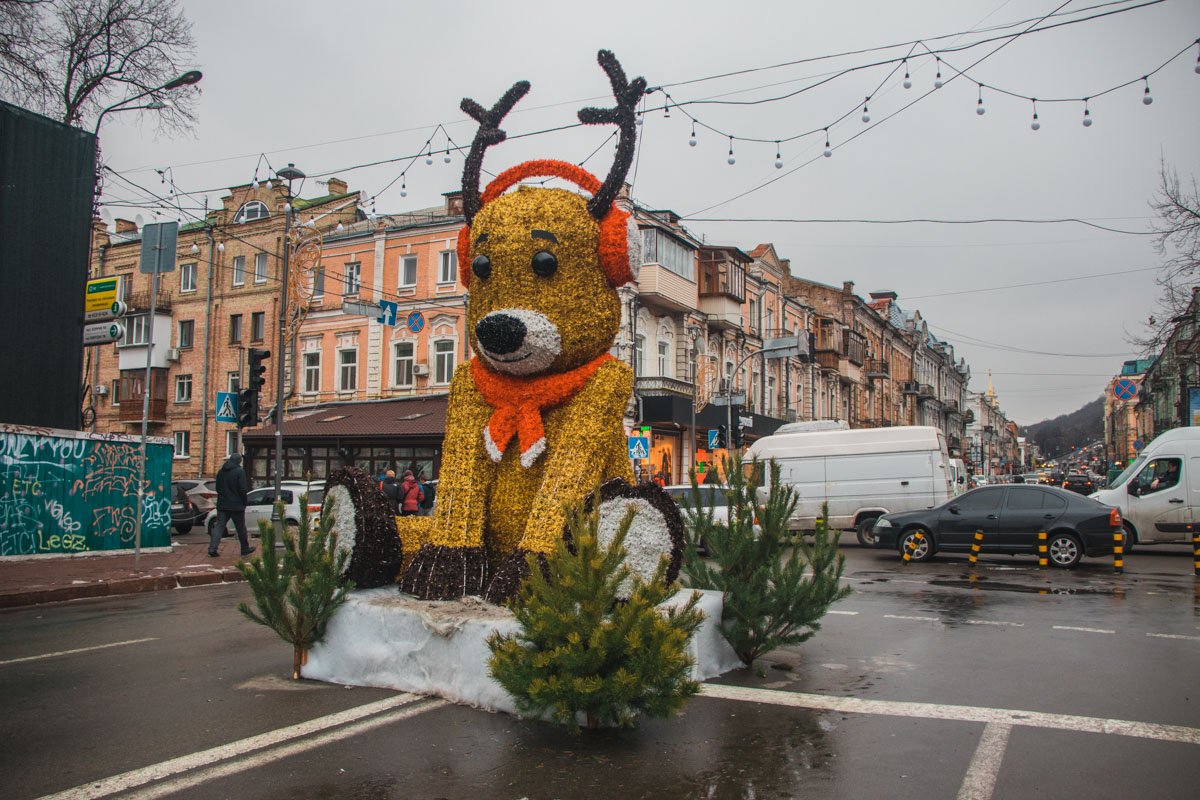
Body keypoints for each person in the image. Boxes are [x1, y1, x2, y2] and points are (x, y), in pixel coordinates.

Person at [210, 454, 255, 558]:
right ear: (239, 461)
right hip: (236, 505)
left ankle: (212, 548)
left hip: (222, 504)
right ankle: (245, 549)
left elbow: (217, 488)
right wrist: (244, 502)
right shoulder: (240, 471)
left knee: (219, 526)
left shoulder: (221, 471)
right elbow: (243, 489)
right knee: (241, 528)